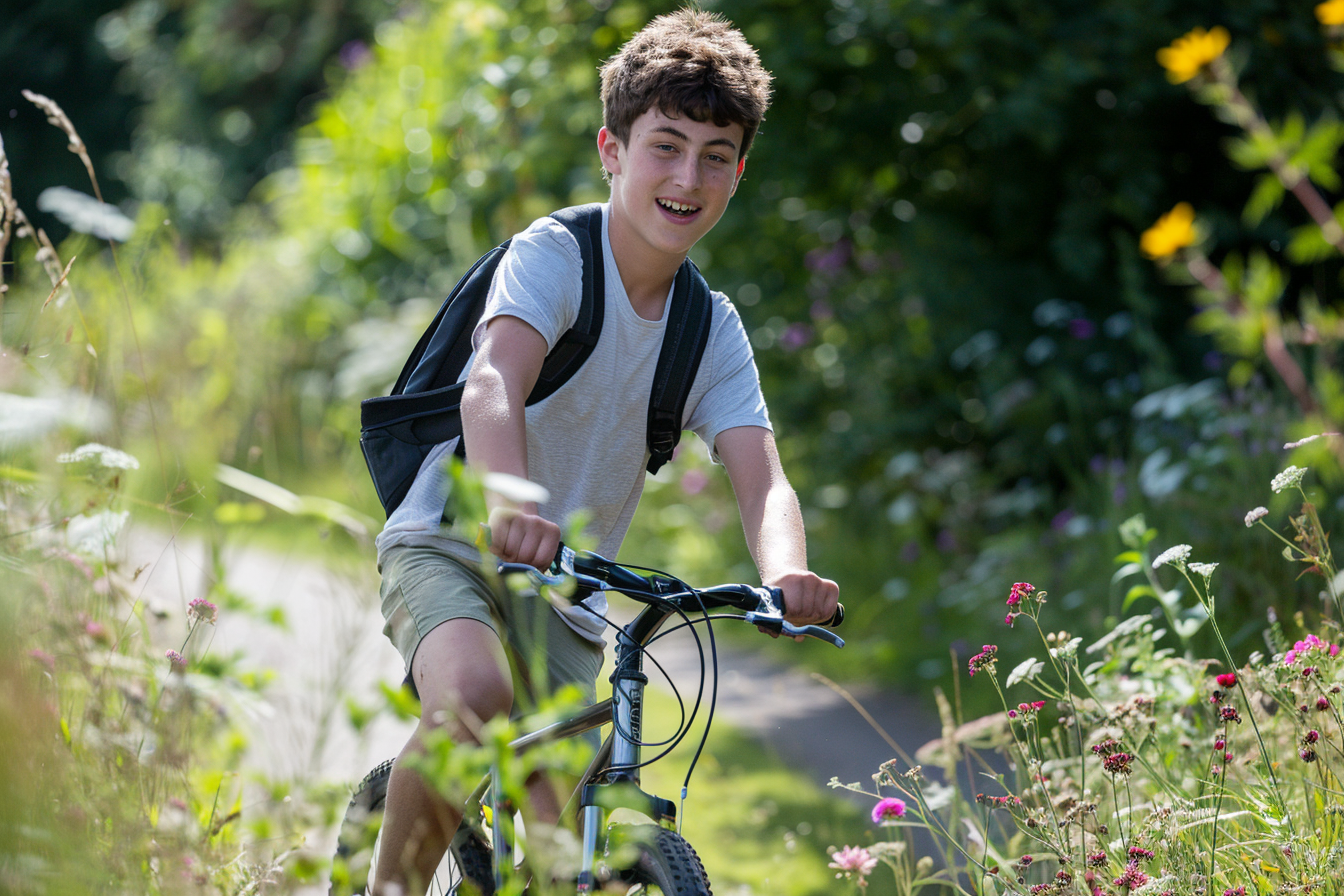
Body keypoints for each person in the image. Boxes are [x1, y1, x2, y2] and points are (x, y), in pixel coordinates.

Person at [369, 8, 840, 893]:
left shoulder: (709, 328)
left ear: (739, 173)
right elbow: (491, 385)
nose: (687, 175)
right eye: (665, 145)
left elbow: (761, 475)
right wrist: (510, 503)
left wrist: (789, 575)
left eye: (714, 155)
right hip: (453, 538)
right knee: (473, 698)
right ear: (612, 150)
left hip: (571, 587)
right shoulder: (557, 255)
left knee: (564, 832)